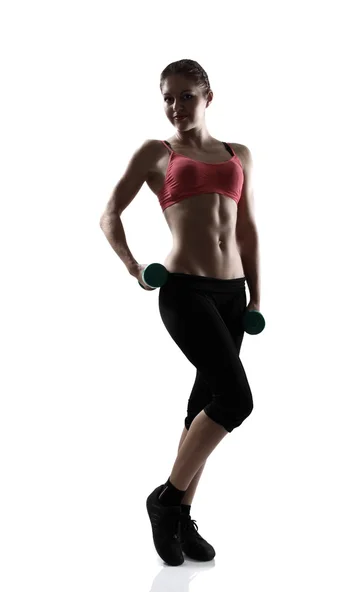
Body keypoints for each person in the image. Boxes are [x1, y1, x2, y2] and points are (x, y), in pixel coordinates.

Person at [99, 59, 261, 566]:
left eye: (186, 95)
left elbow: (247, 229)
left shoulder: (240, 155)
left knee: (203, 410)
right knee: (235, 400)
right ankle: (165, 500)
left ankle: (182, 516)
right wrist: (133, 265)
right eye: (168, 97)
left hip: (232, 294)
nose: (175, 106)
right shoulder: (158, 152)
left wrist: (259, 297)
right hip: (184, 289)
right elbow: (109, 214)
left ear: (208, 96)